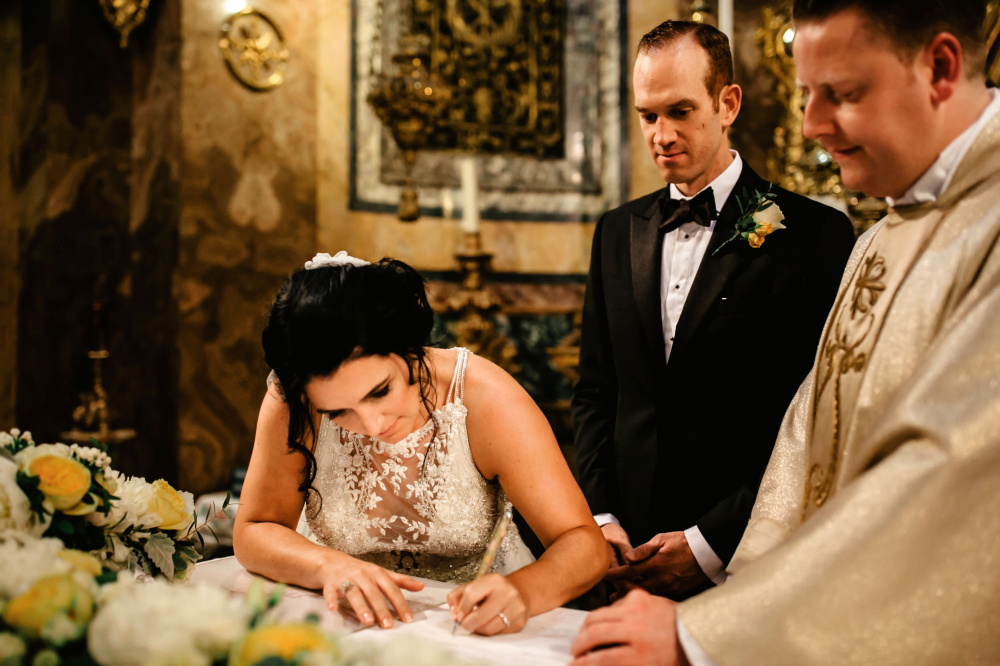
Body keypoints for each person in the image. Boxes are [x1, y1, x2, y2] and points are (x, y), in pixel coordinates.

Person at [570, 0, 1000, 663]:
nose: (809, 125)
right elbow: (812, 429)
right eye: (806, 94)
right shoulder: (892, 229)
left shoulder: (814, 231)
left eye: (842, 94)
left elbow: (949, 469)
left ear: (941, 67)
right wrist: (600, 523)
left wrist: (710, 608)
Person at [571, 19, 854, 602]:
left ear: (727, 103)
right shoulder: (615, 231)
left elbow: (817, 419)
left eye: (680, 111)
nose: (661, 134)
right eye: (647, 115)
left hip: (746, 560)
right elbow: (598, 393)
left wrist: (711, 544)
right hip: (622, 560)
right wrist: (599, 521)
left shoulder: (812, 235)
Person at [233, 252, 607, 634]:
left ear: (410, 347)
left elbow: (583, 543)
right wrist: (328, 565)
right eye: (337, 413)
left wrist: (523, 592)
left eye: (380, 391)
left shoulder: (485, 400)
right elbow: (255, 527)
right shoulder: (293, 400)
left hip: (471, 628)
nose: (372, 424)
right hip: (342, 618)